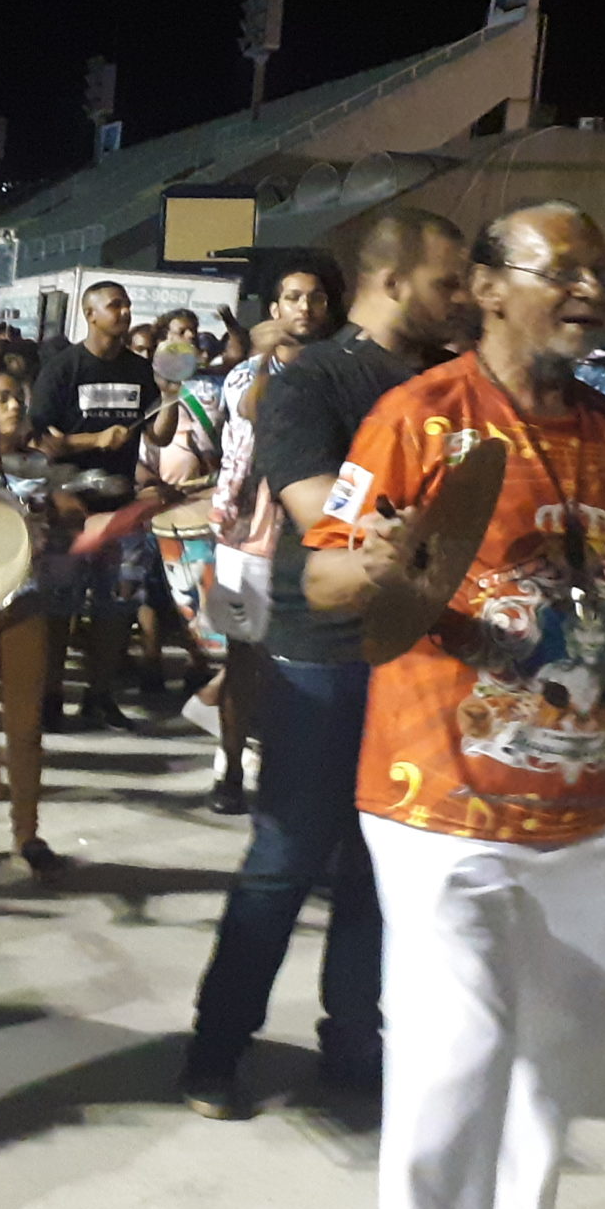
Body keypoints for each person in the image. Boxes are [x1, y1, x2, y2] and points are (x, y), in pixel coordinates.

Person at [303, 201, 605, 1209]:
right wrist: (380, 564)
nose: (591, 289)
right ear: (488, 288)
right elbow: (324, 572)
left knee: (555, 1059)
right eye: (565, 270)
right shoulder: (417, 415)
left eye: (601, 270)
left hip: (578, 803)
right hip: (436, 798)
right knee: (455, 1056)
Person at [179, 209, 471, 1120]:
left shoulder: (450, 385)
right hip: (324, 655)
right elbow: (321, 516)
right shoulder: (312, 381)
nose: (461, 297)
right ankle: (217, 1047)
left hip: (420, 657)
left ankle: (353, 1042)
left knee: (381, 866)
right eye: (446, 281)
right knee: (287, 855)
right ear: (392, 282)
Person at [194, 260, 343, 811]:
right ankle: (230, 766)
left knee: (305, 657)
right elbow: (254, 410)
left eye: (316, 298)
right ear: (275, 309)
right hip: (247, 532)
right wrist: (261, 358)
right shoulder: (246, 372)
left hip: (309, 531)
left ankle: (290, 769)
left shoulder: (340, 369)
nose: (305, 307)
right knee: (244, 655)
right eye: (293, 297)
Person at [31, 280, 179, 729]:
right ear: (90, 313)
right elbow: (40, 439)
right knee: (60, 607)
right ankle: (50, 695)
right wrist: (94, 440)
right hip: (69, 508)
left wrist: (171, 395)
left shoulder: (139, 370)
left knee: (117, 607)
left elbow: (160, 435)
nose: (125, 312)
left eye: (127, 305)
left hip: (120, 507)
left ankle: (100, 696)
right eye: (115, 305)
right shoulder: (63, 368)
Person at [0, 354, 53, 878]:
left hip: (25, 603)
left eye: (17, 398)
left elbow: (52, 527)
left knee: (25, 729)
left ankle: (27, 833)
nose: (13, 407)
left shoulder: (38, 465)